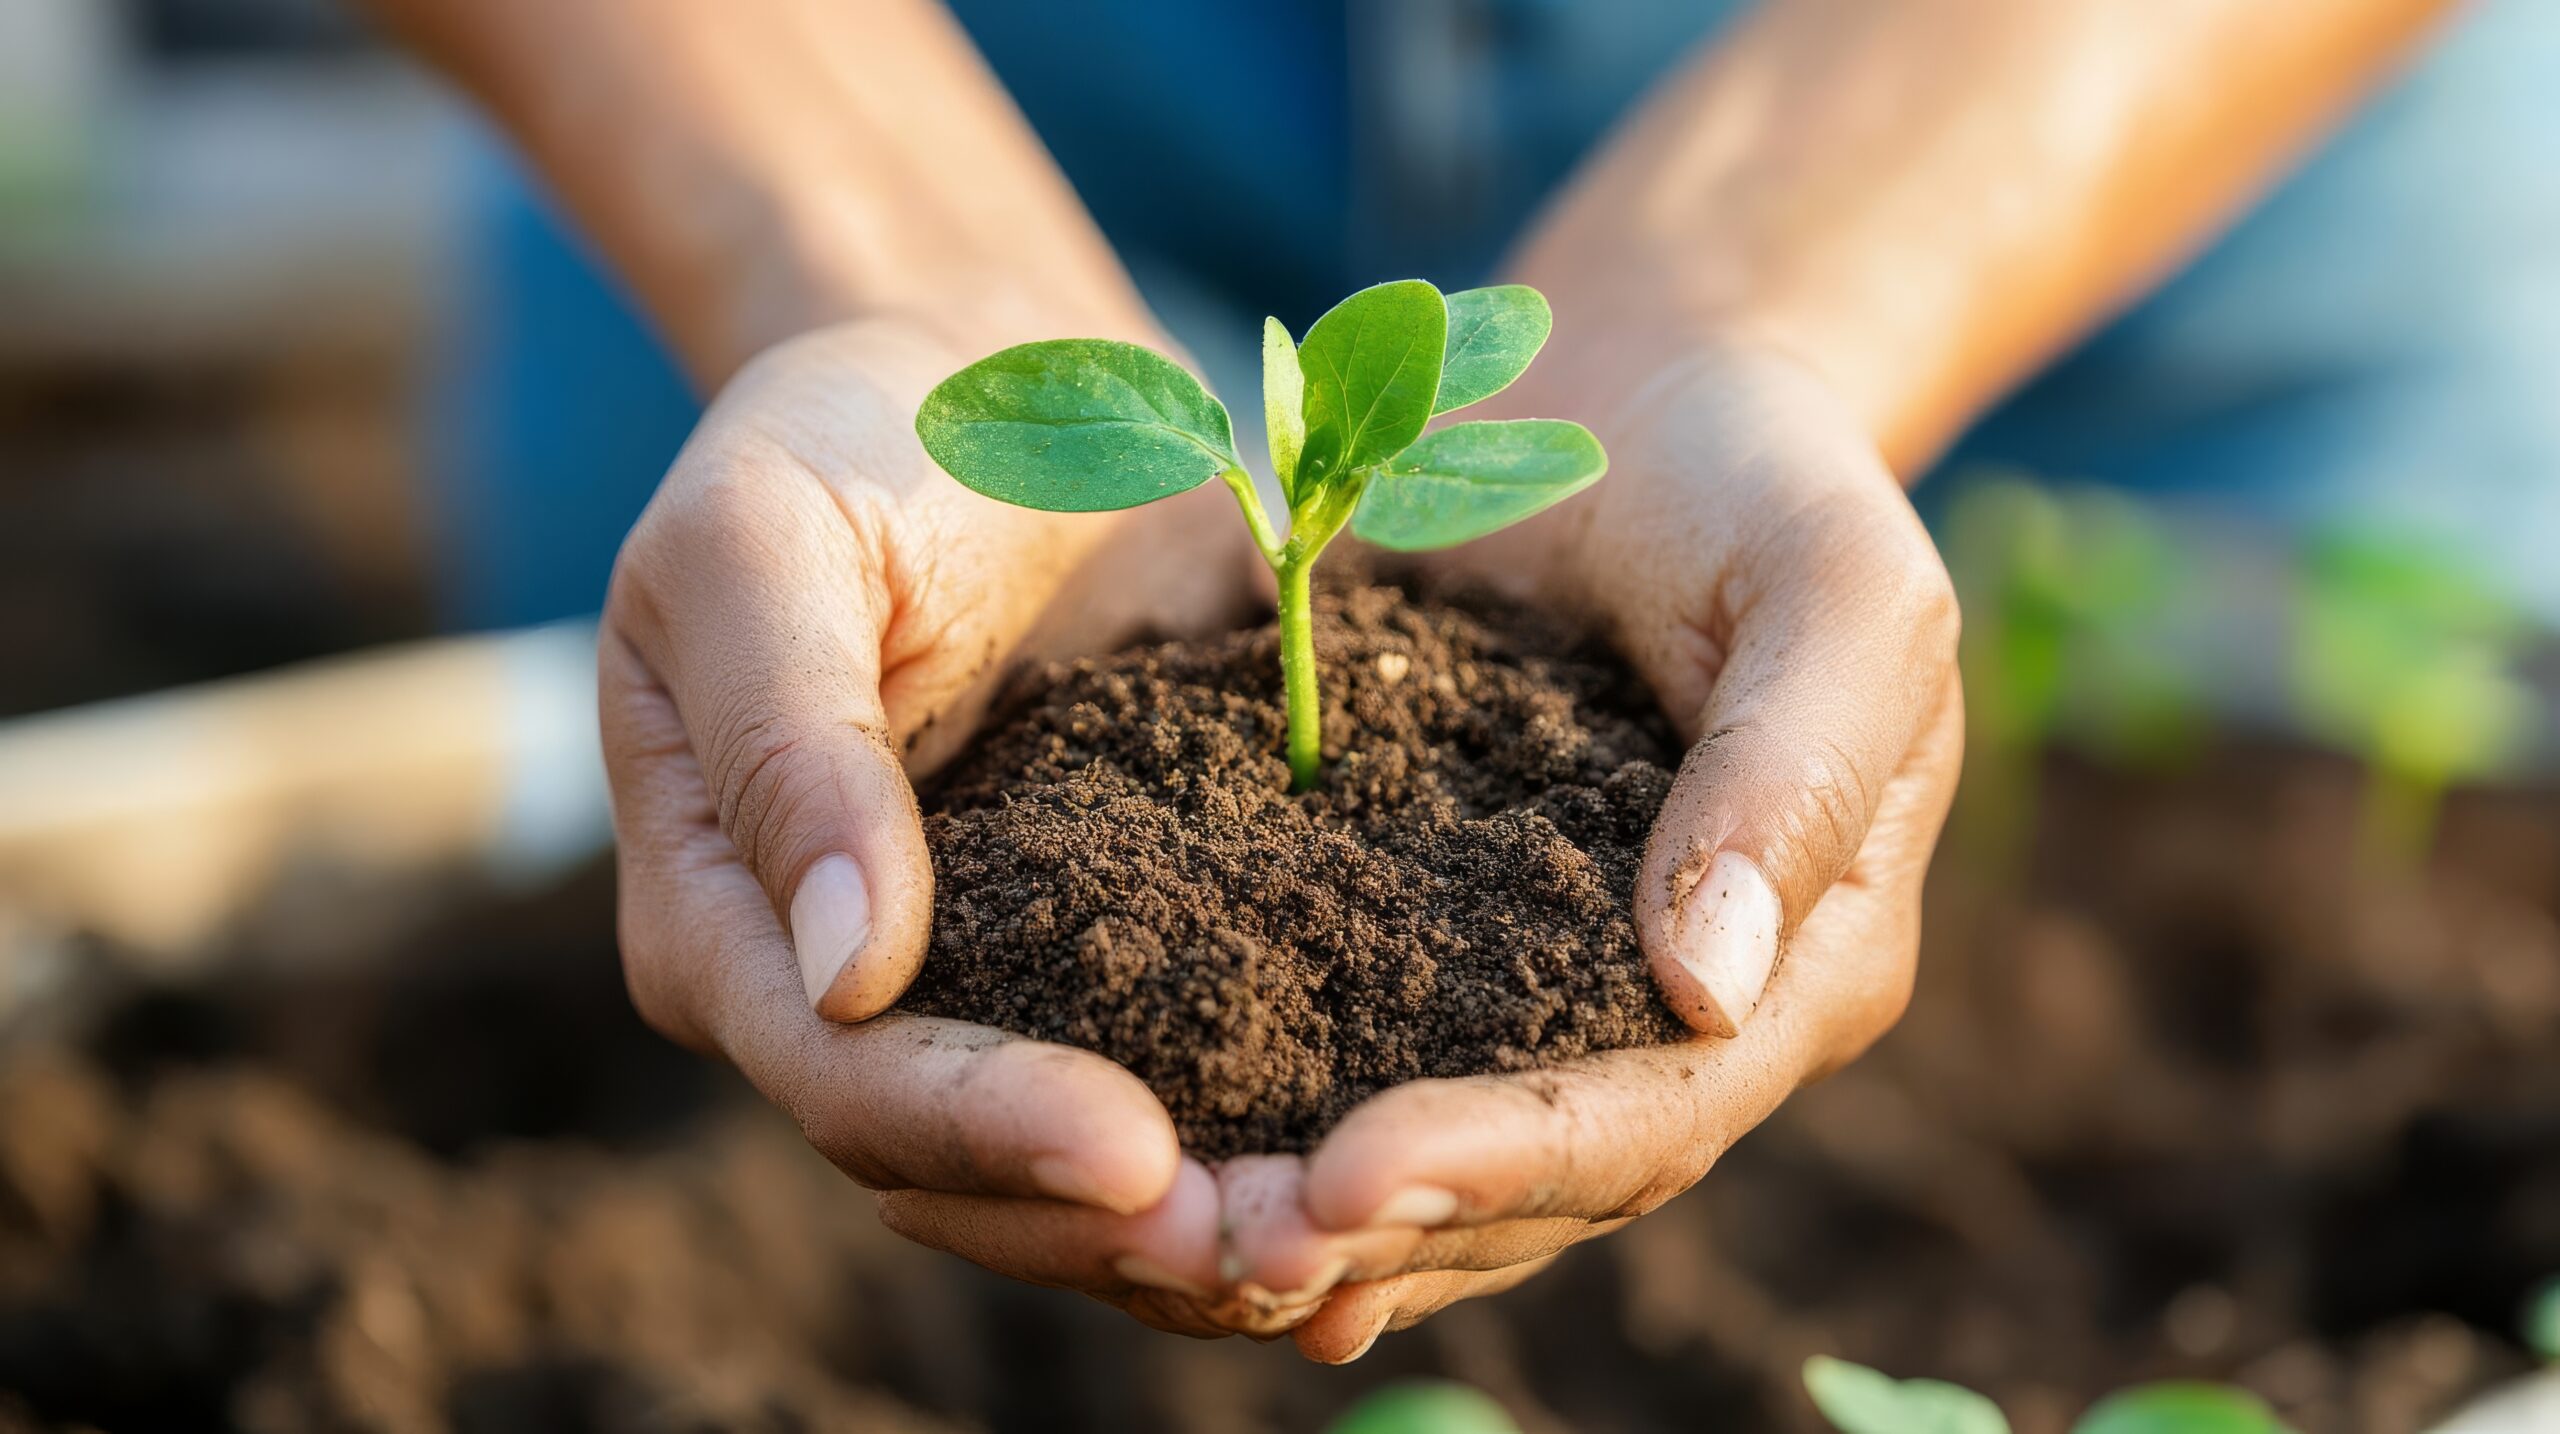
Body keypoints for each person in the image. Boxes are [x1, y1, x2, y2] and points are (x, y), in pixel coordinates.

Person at [360, 0, 2500, 1359]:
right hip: (806, 103)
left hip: (2096, 146)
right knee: (783, 742)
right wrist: (877, 271)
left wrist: (1743, 298)